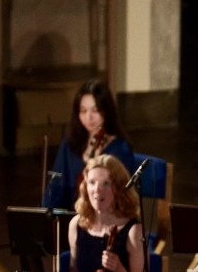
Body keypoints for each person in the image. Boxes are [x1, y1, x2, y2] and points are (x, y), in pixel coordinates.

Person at [66, 154, 147, 272]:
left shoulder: (133, 232)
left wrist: (120, 271)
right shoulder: (76, 225)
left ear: (118, 188)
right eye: (92, 182)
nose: (97, 190)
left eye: (106, 184)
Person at [44, 80, 136, 210]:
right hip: (70, 215)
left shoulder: (120, 149)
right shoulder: (69, 144)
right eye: (83, 111)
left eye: (95, 110)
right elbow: (56, 180)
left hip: (105, 217)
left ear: (106, 111)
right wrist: (46, 210)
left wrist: (95, 164)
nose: (89, 117)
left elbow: (120, 198)